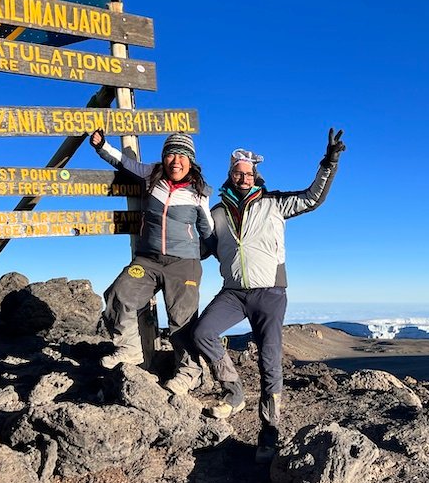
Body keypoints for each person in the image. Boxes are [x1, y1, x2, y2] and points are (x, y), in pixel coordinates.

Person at [193, 129, 345, 462]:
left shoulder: (273, 203)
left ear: (256, 176)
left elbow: (312, 198)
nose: (244, 177)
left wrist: (329, 163)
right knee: (203, 333)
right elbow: (206, 250)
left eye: (249, 173)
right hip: (233, 292)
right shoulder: (217, 212)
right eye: (238, 172)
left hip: (270, 293)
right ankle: (233, 392)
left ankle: (269, 430)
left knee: (269, 361)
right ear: (230, 175)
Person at [90, 129, 214, 394]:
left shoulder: (199, 193)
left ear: (190, 160)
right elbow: (124, 162)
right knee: (118, 294)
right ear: (164, 157)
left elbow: (209, 231)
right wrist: (102, 147)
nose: (176, 160)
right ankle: (131, 349)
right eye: (171, 154)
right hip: (148, 259)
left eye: (182, 155)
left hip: (184, 263)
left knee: (181, 318)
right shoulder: (151, 175)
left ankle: (189, 372)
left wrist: (201, 255)